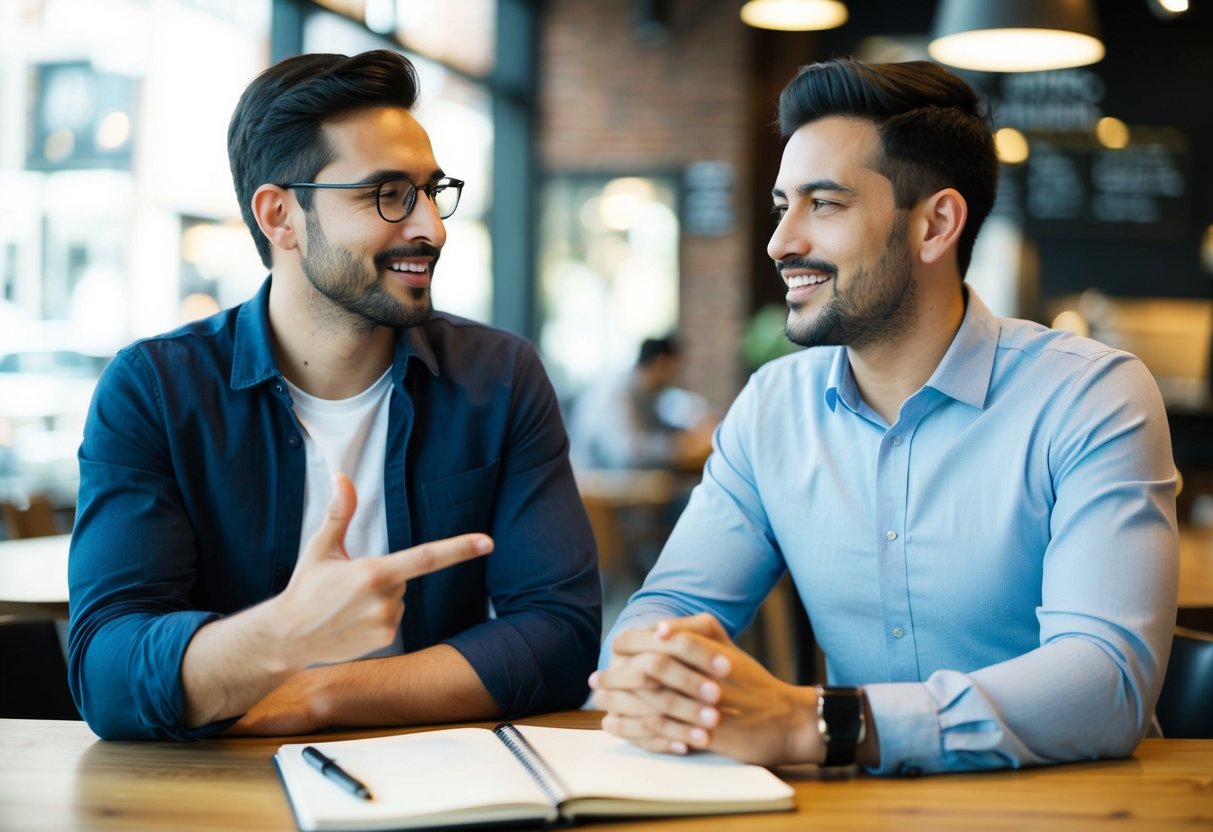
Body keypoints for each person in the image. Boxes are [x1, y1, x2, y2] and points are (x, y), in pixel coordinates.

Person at [591, 58, 1178, 776]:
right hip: (853, 810)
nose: (780, 241)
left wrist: (817, 723)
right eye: (782, 206)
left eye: (824, 204)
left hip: (1068, 809)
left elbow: (1105, 683)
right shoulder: (772, 408)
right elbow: (669, 607)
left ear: (935, 224)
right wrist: (656, 670)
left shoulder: (1090, 395)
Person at [67, 50, 601, 741]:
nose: (430, 228)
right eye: (386, 194)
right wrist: (282, 632)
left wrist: (323, 695)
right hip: (221, 792)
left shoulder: (497, 379)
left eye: (430, 191)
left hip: (445, 776)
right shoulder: (156, 392)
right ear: (280, 216)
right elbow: (107, 673)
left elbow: (560, 636)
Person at [569, 336, 715, 471]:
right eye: (675, 370)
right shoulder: (618, 392)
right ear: (661, 362)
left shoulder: (646, 393)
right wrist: (680, 446)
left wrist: (688, 434)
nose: (677, 377)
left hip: (626, 478)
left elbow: (655, 429)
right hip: (600, 482)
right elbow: (628, 453)